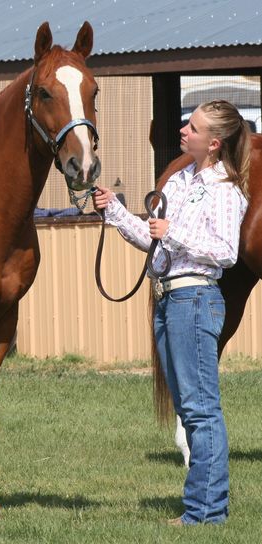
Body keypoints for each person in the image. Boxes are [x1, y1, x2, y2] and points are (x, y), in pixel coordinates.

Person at [93, 99, 250, 526]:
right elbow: (153, 240)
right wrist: (115, 210)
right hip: (169, 299)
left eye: (193, 128)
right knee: (190, 408)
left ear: (213, 143)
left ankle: (207, 511)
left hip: (196, 299)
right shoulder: (180, 180)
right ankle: (198, 508)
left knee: (201, 410)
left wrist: (173, 233)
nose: (183, 130)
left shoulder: (226, 190)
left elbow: (226, 253)